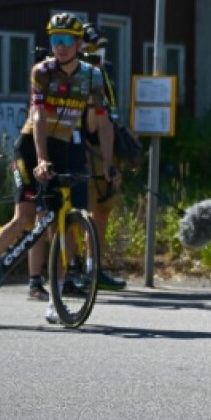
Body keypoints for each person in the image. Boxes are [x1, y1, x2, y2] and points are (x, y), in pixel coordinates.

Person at [0, 14, 119, 323]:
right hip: (31, 145)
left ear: (78, 44)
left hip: (65, 146)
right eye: (54, 41)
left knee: (64, 224)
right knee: (24, 217)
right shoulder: (43, 72)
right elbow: (37, 116)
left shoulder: (93, 76)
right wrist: (41, 159)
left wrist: (109, 163)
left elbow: (102, 123)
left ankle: (57, 296)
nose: (59, 47)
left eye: (66, 41)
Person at [79, 24, 127, 291]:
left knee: (103, 210)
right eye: (92, 47)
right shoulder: (81, 76)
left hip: (106, 149)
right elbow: (91, 124)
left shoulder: (103, 73)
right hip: (87, 151)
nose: (99, 52)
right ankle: (72, 269)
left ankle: (93, 267)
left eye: (101, 46)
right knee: (79, 210)